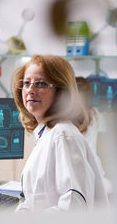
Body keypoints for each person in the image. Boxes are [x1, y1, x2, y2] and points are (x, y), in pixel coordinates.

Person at [11, 55, 109, 212]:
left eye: (41, 83)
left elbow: (73, 206)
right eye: (27, 83)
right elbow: (35, 199)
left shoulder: (63, 136)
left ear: (61, 92)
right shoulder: (47, 134)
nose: (30, 90)